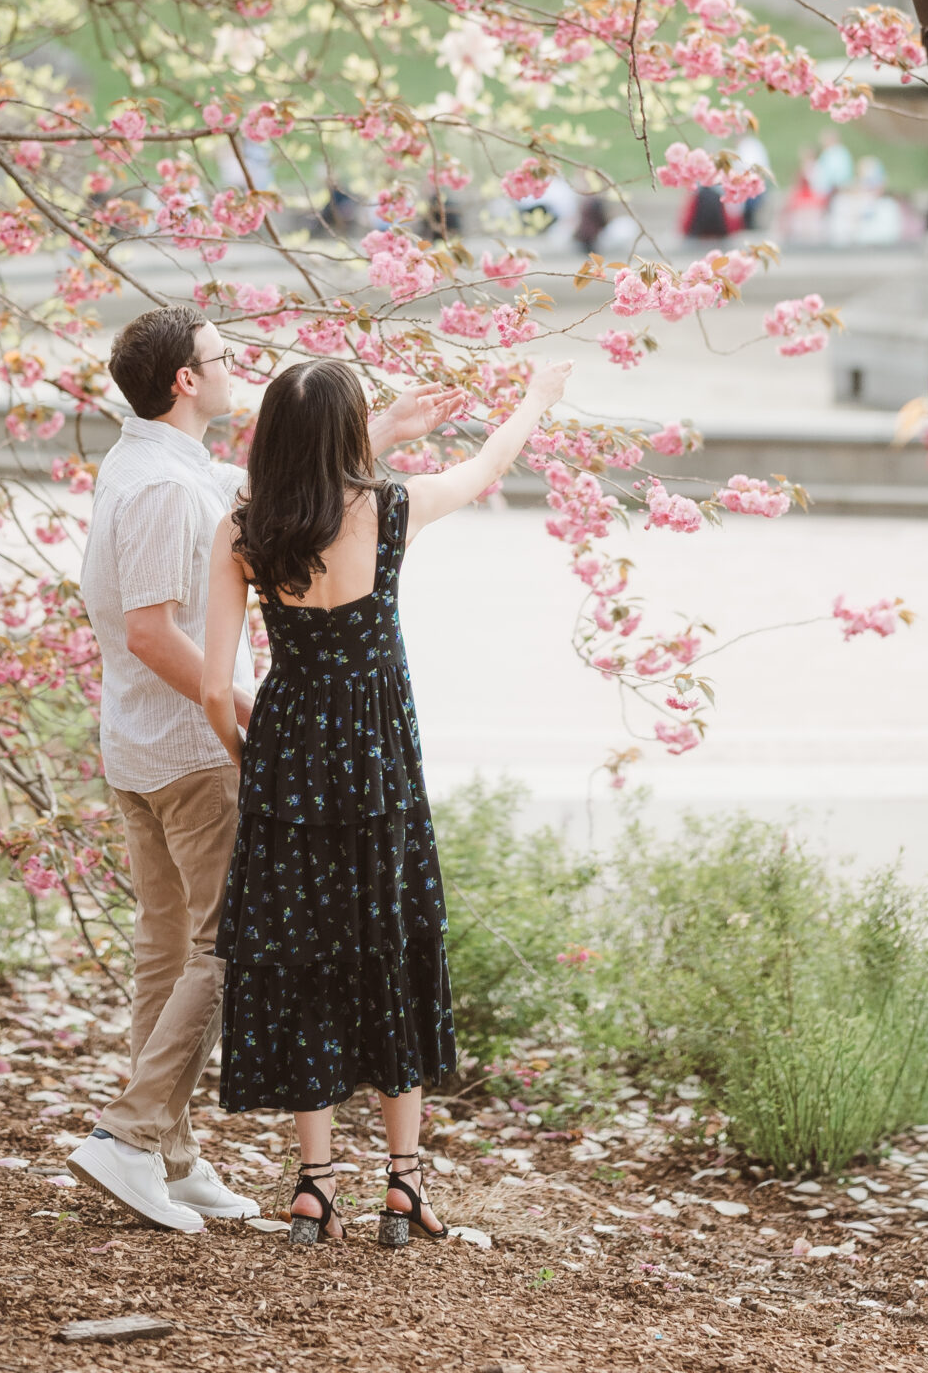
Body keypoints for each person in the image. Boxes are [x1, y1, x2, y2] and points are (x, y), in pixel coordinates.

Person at [68, 303, 449, 1236]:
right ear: (186, 383)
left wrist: (374, 430)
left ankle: (167, 1152)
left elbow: (288, 487)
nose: (235, 366)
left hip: (145, 748)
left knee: (170, 949)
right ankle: (129, 1137)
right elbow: (154, 631)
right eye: (220, 357)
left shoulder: (155, 464)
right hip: (194, 758)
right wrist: (267, 728)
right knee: (228, 948)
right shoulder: (167, 492)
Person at [200, 354, 571, 1249]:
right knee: (385, 948)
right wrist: (534, 398)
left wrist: (257, 764)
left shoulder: (243, 531)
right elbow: (484, 469)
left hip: (289, 761)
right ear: (344, 438)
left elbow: (215, 685)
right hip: (377, 769)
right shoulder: (389, 510)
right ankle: (402, 1185)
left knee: (304, 956)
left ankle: (313, 1187)